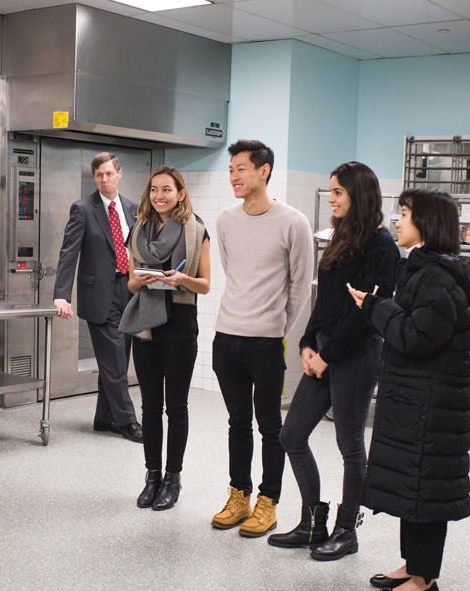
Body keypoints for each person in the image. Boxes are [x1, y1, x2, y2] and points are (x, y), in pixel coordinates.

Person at [348, 188, 470, 591]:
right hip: (415, 399)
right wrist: (381, 306)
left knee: (425, 489)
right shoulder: (422, 268)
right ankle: (413, 563)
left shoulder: (439, 278)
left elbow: (416, 336)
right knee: (412, 484)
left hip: (431, 404)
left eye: (403, 214)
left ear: (427, 222)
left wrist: (375, 307)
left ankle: (425, 580)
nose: (396, 221)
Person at [268, 162, 398, 560]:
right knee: (291, 435)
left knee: (350, 445)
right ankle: (312, 522)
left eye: (338, 192)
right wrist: (308, 343)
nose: (332, 199)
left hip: (356, 355)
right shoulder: (339, 238)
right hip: (323, 350)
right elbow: (323, 301)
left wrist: (326, 355)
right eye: (331, 192)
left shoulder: (383, 247)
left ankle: (346, 530)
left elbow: (365, 316)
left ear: (358, 195)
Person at [211, 139, 313, 537]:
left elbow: (301, 286)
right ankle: (239, 495)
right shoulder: (225, 221)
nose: (233, 176)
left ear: (263, 171)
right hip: (226, 338)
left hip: (267, 342)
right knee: (237, 423)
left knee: (270, 424)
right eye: (231, 169)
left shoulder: (293, 222)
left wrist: (275, 328)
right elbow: (234, 273)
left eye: (240, 168)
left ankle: (268, 502)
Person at [120, 167, 210, 511]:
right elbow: (129, 282)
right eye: (154, 189)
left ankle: (173, 478)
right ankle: (152, 476)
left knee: (176, 407)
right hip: (146, 324)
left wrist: (181, 279)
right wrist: (140, 282)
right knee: (150, 407)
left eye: (167, 190)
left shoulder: (197, 230)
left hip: (179, 324)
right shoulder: (139, 230)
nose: (159, 196)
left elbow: (205, 284)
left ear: (180, 194)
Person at [53, 152, 142, 443]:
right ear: (94, 178)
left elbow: (138, 250)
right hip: (98, 295)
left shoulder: (131, 208)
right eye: (99, 175)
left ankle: (104, 418)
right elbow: (69, 254)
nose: (104, 179)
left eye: (108, 173)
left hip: (128, 291)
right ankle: (128, 421)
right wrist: (62, 295)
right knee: (115, 361)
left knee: (116, 360)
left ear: (119, 174)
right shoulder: (83, 209)